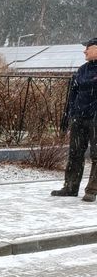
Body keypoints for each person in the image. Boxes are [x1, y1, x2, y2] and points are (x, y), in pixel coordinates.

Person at [53, 38, 97, 202]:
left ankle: (92, 190)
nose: (84, 51)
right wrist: (69, 115)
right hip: (79, 117)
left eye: (88, 48)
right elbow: (73, 94)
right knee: (75, 153)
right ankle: (70, 187)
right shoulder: (82, 70)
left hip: (95, 119)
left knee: (96, 155)